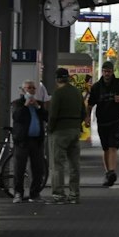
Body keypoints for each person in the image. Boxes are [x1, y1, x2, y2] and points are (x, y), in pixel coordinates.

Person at [87, 62, 119, 187]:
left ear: (113, 71)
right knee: (105, 148)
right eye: (104, 71)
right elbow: (91, 104)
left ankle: (112, 171)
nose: (106, 74)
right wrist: (87, 117)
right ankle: (108, 173)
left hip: (116, 120)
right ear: (102, 72)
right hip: (102, 121)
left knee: (113, 146)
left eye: (108, 71)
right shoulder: (97, 87)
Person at [46, 67, 86, 204]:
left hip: (60, 131)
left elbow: (53, 114)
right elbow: (83, 112)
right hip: (75, 131)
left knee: (58, 164)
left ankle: (59, 195)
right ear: (68, 78)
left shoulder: (58, 93)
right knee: (74, 164)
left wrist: (50, 129)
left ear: (57, 79)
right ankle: (75, 195)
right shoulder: (76, 92)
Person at [8, 77, 49, 202]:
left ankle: (34, 193)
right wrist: (26, 105)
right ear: (23, 90)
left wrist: (38, 107)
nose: (31, 90)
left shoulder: (39, 104)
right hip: (22, 141)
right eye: (28, 88)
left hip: (36, 141)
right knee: (19, 168)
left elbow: (46, 117)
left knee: (38, 168)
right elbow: (17, 117)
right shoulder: (17, 103)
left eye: (33, 88)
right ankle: (18, 193)